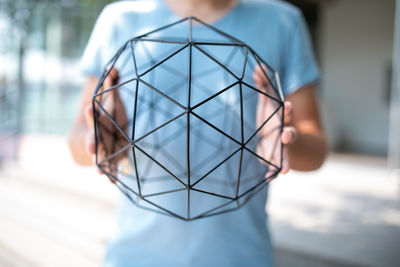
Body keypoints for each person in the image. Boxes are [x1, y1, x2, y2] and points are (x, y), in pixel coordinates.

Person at [68, 0, 328, 266]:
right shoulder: (120, 19)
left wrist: (282, 141)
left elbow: (315, 151)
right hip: (134, 256)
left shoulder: (280, 21)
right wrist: (104, 139)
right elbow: (77, 143)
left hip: (240, 257)